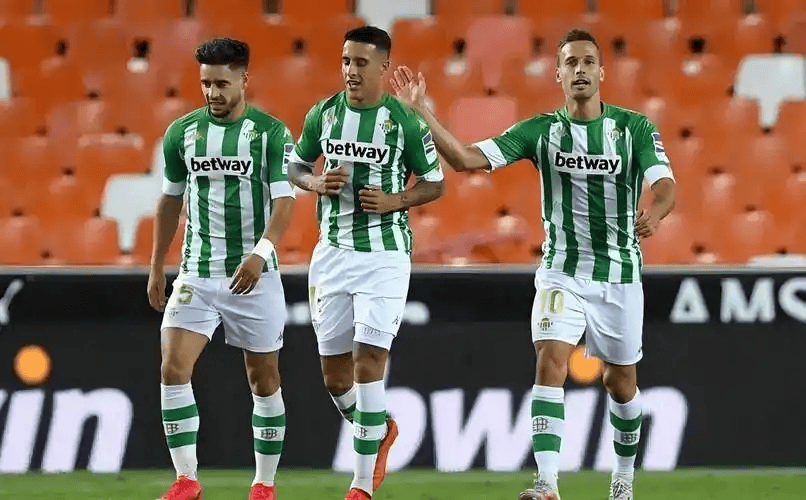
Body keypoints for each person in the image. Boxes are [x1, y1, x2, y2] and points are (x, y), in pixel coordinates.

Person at [391, 28, 675, 500]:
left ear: (601, 72)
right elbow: (465, 160)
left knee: (621, 383)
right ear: (558, 74)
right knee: (550, 361)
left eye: (588, 61)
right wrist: (422, 111)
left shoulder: (634, 129)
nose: (579, 69)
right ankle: (547, 484)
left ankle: (623, 481)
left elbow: (665, 185)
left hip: (619, 276)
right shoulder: (540, 131)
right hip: (562, 271)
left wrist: (657, 212)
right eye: (570, 62)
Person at [287, 25, 445, 500]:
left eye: (360, 62)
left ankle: (360, 487)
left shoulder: (404, 122)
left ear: (382, 67)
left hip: (384, 255)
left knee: (369, 360)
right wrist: (315, 184)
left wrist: (396, 200)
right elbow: (295, 166)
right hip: (331, 254)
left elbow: (435, 182)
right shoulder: (324, 114)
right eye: (346, 61)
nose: (351, 71)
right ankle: (381, 427)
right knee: (335, 379)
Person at [147, 37, 296, 500]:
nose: (212, 92)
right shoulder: (182, 133)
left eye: (221, 83)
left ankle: (263, 484)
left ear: (243, 80)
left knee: (263, 379)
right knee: (173, 367)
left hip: (254, 275)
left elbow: (285, 201)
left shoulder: (271, 134)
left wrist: (261, 253)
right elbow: (170, 201)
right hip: (196, 272)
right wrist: (156, 265)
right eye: (206, 83)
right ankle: (186, 479)